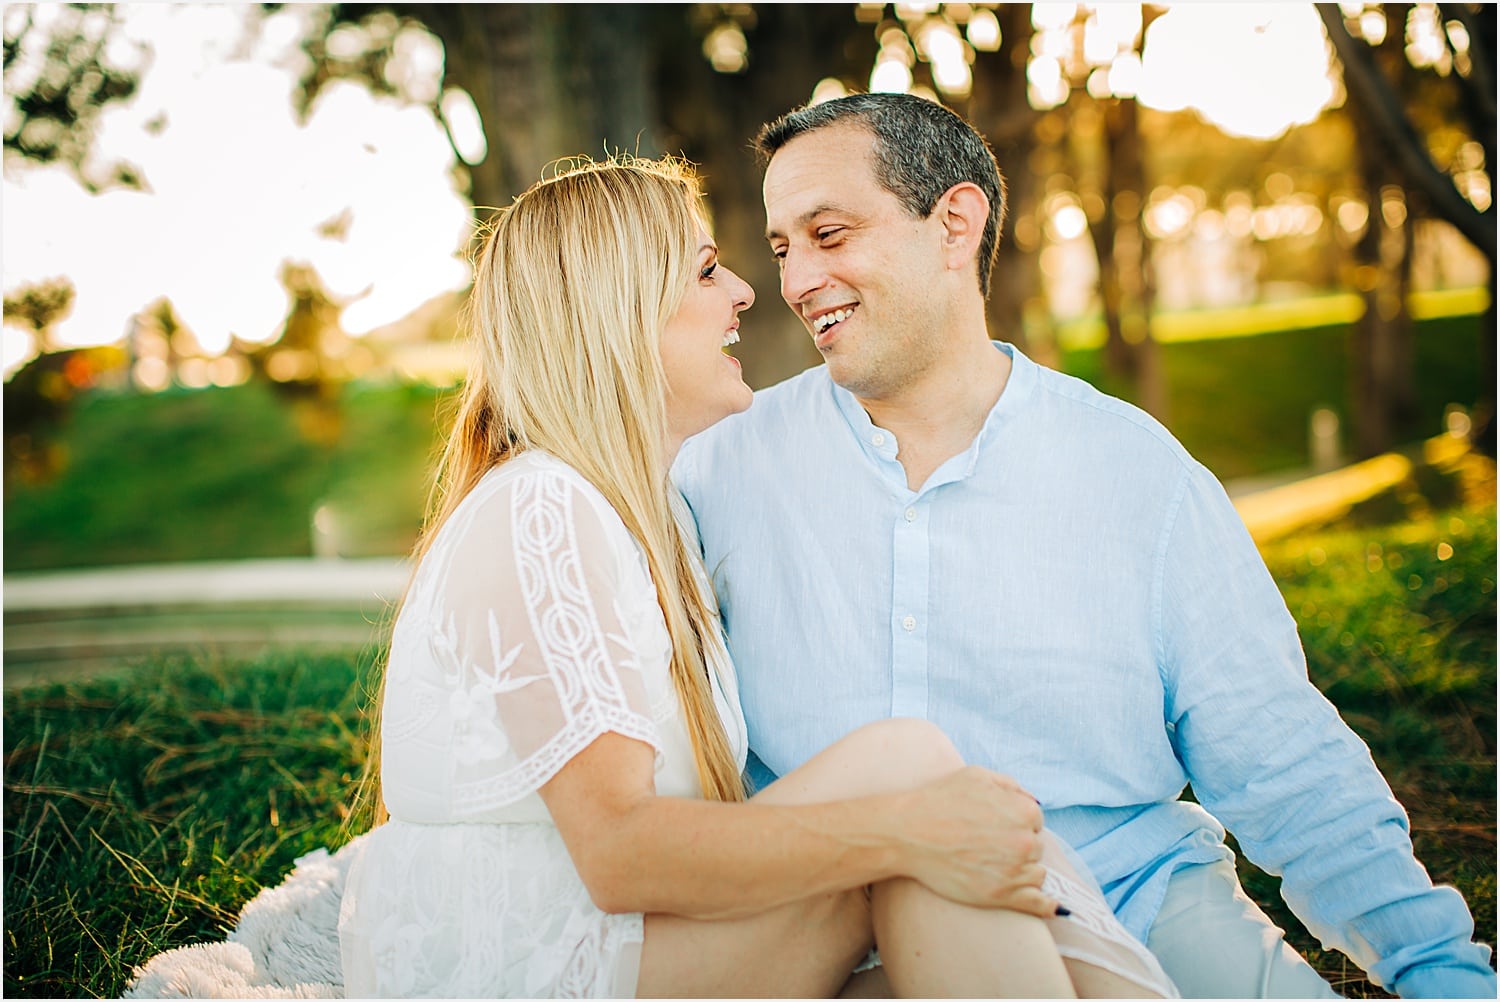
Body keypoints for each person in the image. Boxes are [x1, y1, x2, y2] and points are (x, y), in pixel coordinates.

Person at [672, 93, 1498, 999]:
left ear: (955, 222)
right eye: (784, 247)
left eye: (829, 234)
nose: (793, 281)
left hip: (1134, 898)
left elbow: (1281, 758)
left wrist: (1438, 972)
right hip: (835, 934)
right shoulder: (718, 471)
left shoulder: (1136, 473)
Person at [335, 155, 1179, 999]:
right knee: (906, 799)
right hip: (528, 965)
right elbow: (619, 854)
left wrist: (916, 834)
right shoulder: (541, 509)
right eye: (706, 271)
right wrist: (904, 833)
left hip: (637, 946)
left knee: (923, 836)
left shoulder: (642, 515)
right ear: (616, 313)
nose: (745, 291)